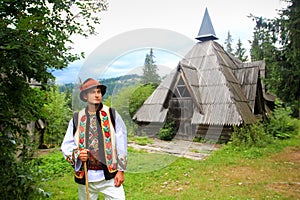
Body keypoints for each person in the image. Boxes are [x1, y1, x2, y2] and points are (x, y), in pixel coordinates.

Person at [61, 78, 127, 200]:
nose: (97, 95)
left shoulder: (112, 115)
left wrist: (121, 170)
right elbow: (66, 144)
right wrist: (78, 155)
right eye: (93, 92)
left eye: (99, 92)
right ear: (85, 96)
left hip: (110, 175)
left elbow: (122, 142)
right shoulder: (76, 119)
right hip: (86, 175)